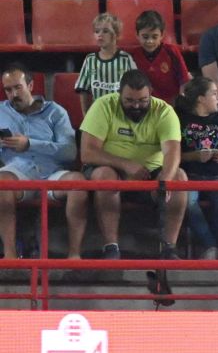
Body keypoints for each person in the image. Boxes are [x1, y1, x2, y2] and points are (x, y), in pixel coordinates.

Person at [70, 70, 188, 263]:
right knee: (104, 175)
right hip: (110, 169)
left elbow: (173, 152)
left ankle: (169, 248)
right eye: (129, 101)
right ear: (119, 94)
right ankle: (111, 247)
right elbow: (88, 153)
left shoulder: (164, 111)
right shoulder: (103, 105)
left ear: (150, 93)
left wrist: (164, 180)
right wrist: (125, 164)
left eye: (142, 100)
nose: (136, 106)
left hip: (151, 173)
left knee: (179, 177)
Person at [0, 65, 76, 260]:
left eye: (18, 87)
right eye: (8, 90)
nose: (13, 94)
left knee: (78, 184)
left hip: (53, 172)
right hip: (18, 171)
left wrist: (30, 144)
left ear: (31, 85)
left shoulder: (55, 112)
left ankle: (74, 255)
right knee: (2, 183)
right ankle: (10, 255)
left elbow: (70, 152)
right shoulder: (1, 112)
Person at [173, 77, 218, 261]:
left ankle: (209, 246)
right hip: (188, 176)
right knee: (187, 201)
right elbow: (169, 156)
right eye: (214, 94)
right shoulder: (179, 118)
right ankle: (211, 246)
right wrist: (194, 156)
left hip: (217, 176)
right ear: (201, 98)